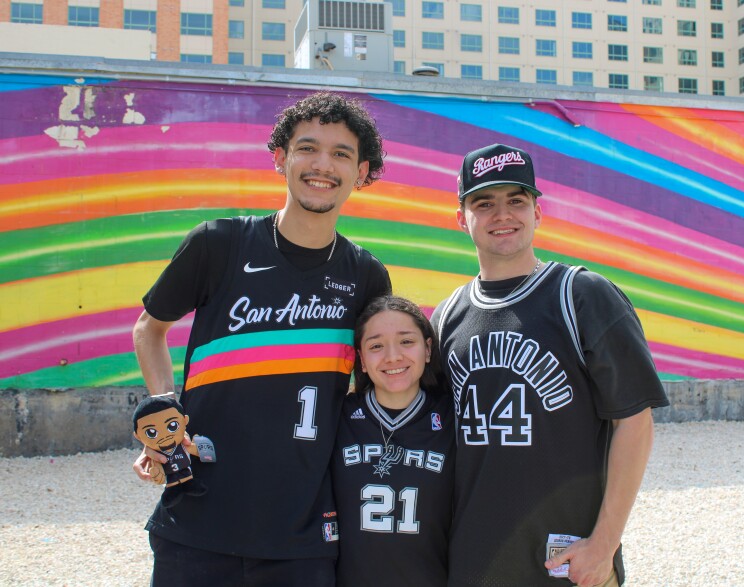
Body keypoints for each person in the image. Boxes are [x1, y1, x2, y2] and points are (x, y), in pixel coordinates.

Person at [131, 91, 391, 587]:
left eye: (342, 154)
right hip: (197, 522)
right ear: (280, 158)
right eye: (307, 148)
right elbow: (150, 328)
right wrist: (164, 416)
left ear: (361, 173)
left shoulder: (367, 276)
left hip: (305, 536)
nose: (323, 165)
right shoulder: (218, 244)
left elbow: (370, 392)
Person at [431, 143, 670, 587]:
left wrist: (604, 545)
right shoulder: (446, 318)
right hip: (474, 562)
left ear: (538, 211)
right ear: (461, 218)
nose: (502, 214)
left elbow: (634, 423)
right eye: (484, 203)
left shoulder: (582, 296)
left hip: (568, 563)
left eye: (516, 201)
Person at [331, 295, 455, 587]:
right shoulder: (338, 417)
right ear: (361, 360)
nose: (392, 356)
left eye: (406, 342)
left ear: (427, 349)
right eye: (375, 346)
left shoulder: (454, 418)